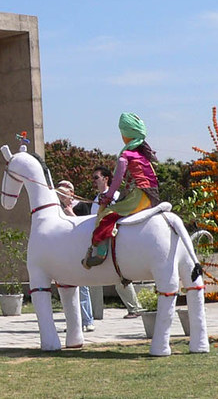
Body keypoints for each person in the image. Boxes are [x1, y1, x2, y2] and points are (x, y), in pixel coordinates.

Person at [83, 112, 160, 269]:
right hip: (152, 197)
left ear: (126, 134)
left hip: (140, 196)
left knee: (106, 214)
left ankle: (100, 255)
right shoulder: (142, 154)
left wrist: (106, 199)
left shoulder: (126, 155)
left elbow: (117, 180)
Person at [93, 165, 142, 317]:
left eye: (96, 178)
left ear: (106, 179)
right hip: (100, 240)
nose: (94, 181)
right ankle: (94, 314)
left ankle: (135, 308)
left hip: (113, 241)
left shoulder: (114, 196)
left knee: (119, 278)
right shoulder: (97, 199)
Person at [56, 180, 95, 331]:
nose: (60, 196)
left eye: (63, 193)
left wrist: (70, 214)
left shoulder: (81, 206)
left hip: (78, 250)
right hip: (63, 250)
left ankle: (88, 320)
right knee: (66, 286)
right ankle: (73, 323)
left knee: (82, 286)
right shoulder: (56, 209)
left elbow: (84, 226)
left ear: (71, 193)